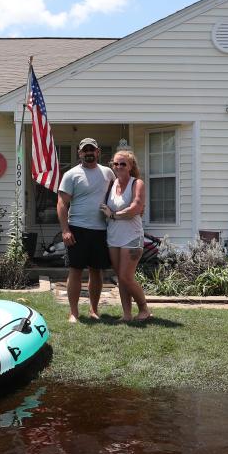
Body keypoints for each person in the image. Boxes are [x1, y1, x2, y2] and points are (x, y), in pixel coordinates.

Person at [57, 137, 114, 323]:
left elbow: (118, 195)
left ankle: (94, 310)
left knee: (97, 271)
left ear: (98, 152)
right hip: (77, 229)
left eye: (92, 150)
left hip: (101, 230)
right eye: (85, 150)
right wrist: (65, 230)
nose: (89, 153)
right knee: (75, 270)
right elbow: (62, 203)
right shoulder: (71, 175)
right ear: (79, 153)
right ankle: (73, 312)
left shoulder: (108, 173)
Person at [100, 149, 151, 321]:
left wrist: (113, 215)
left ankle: (144, 309)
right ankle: (127, 314)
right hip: (113, 237)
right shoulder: (112, 184)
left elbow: (135, 208)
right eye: (116, 163)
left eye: (123, 164)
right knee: (120, 277)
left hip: (132, 237)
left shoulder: (137, 184)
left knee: (125, 276)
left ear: (130, 166)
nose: (119, 166)